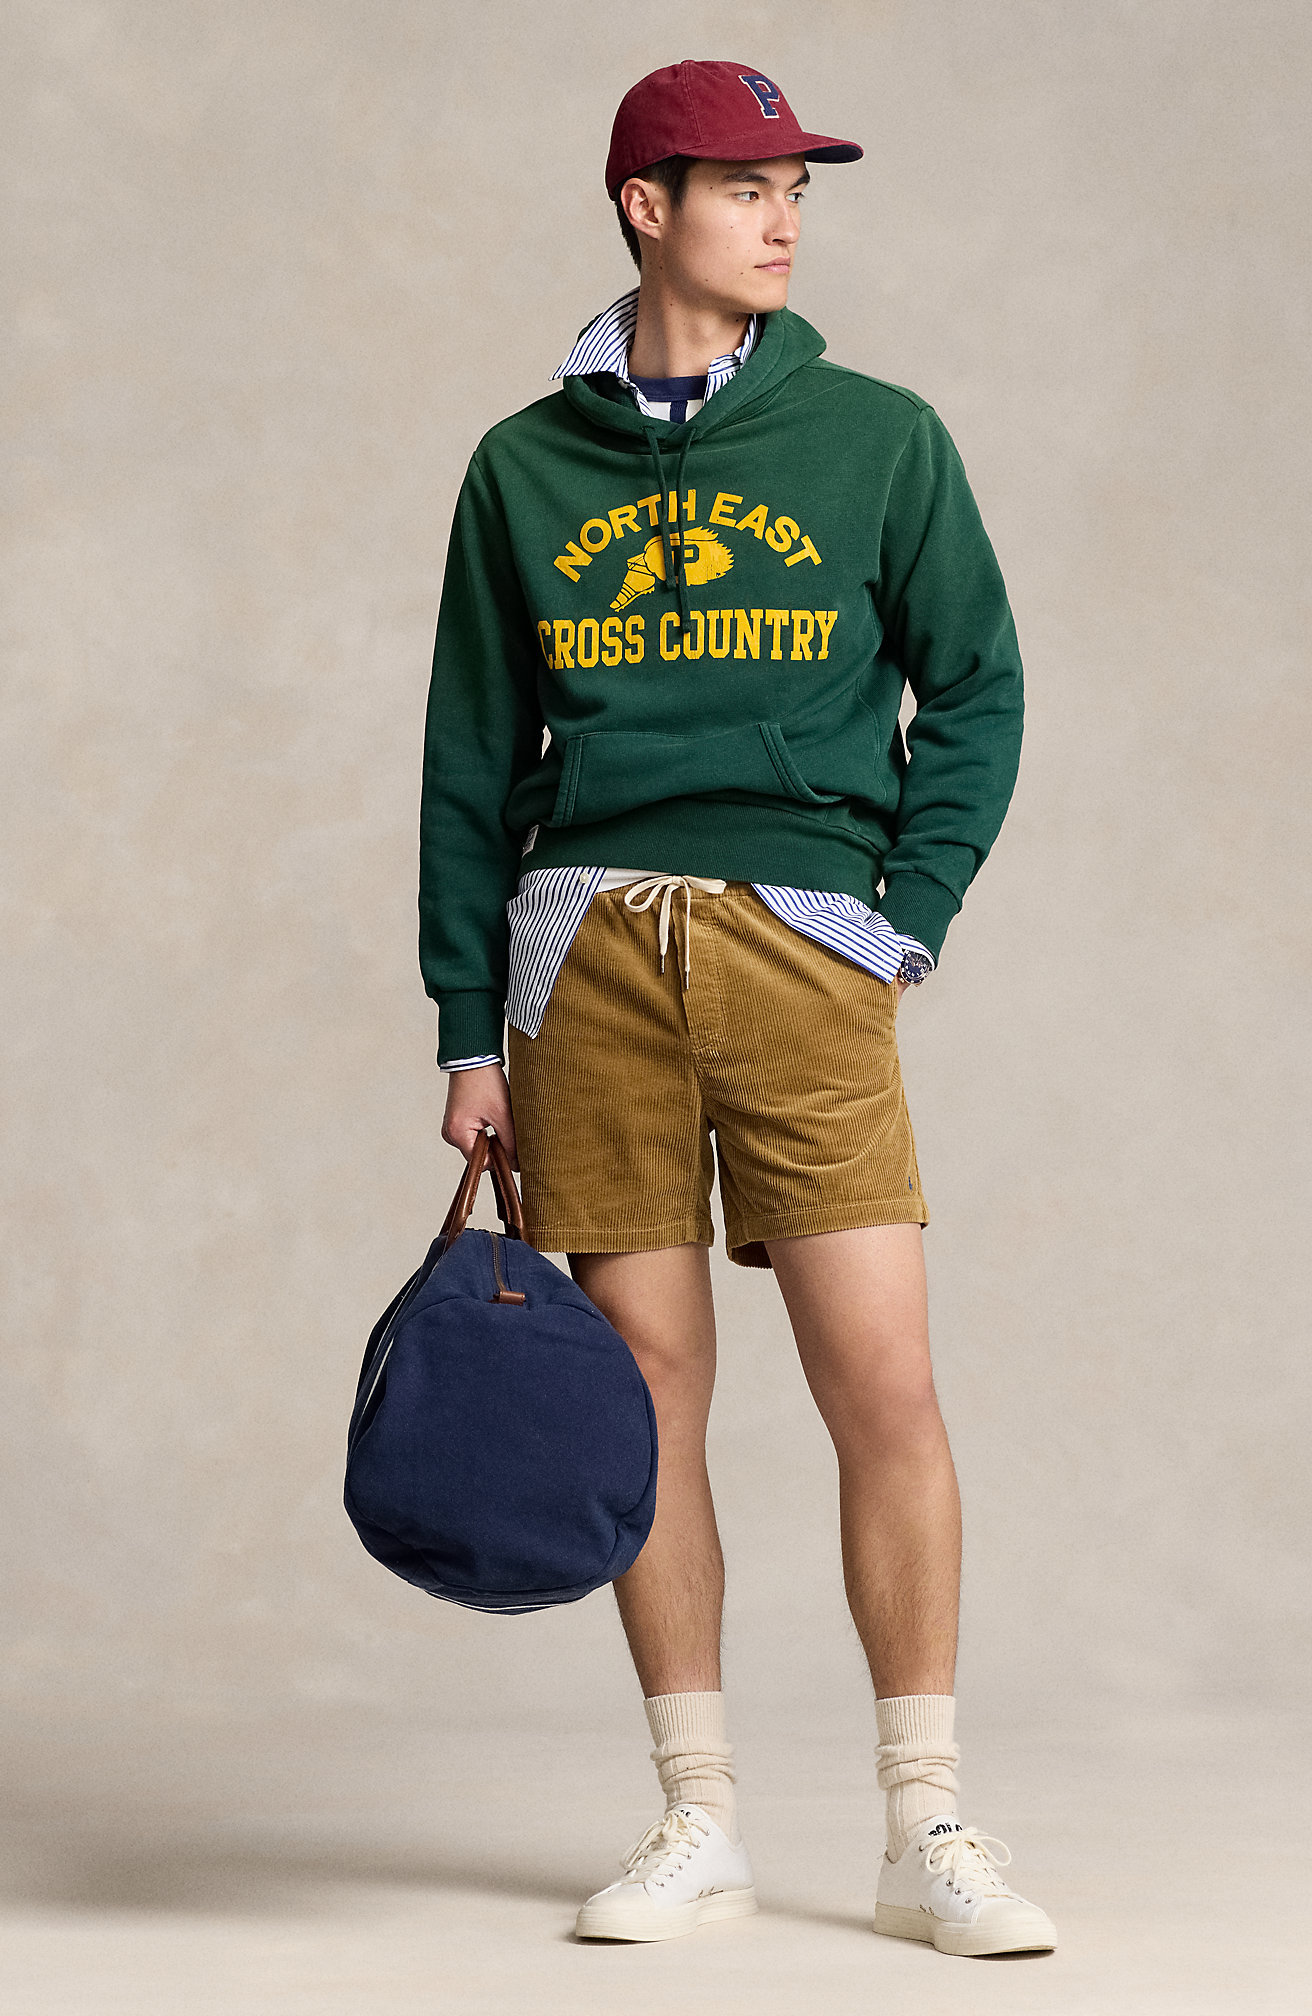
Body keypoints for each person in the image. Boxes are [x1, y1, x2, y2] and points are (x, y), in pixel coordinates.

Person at [418, 59, 1056, 1957]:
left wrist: (901, 921)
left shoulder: (879, 439)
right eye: (747, 188)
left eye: (797, 192)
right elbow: (468, 760)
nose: (784, 220)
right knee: (647, 1400)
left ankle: (926, 1825)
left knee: (884, 1384)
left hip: (801, 951)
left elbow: (980, 688)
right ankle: (697, 1817)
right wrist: (469, 1027)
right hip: (587, 958)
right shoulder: (521, 468)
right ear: (648, 204)